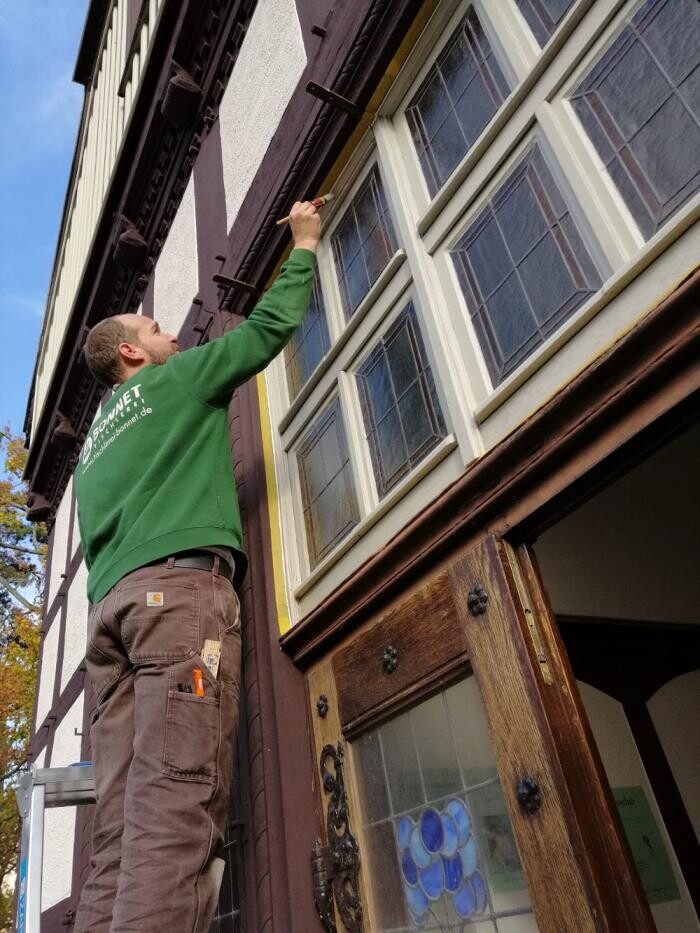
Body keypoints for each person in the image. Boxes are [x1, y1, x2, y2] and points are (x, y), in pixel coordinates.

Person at [73, 202, 321, 932]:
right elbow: (267, 330)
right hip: (176, 600)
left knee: (119, 829)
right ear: (130, 353)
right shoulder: (173, 381)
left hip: (111, 622)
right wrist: (305, 244)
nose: (171, 334)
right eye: (156, 329)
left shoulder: (92, 449)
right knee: (174, 806)